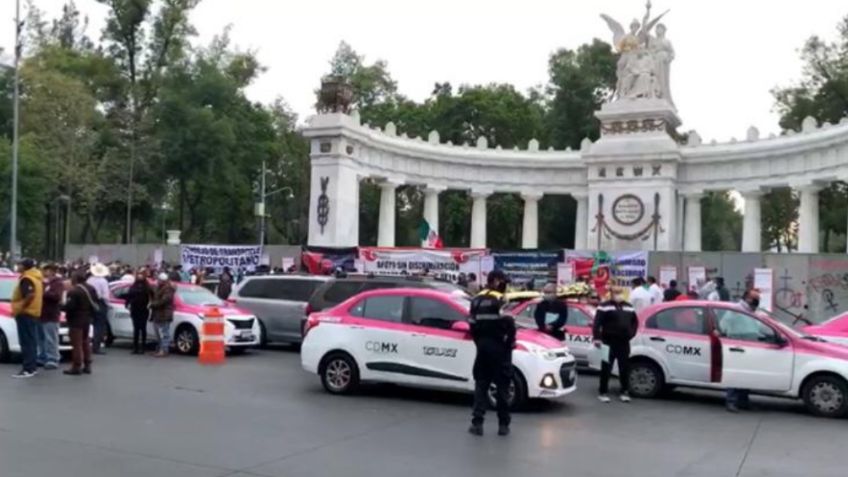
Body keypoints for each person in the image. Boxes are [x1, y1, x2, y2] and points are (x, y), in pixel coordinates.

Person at [468, 270, 516, 437]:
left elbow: (472, 326)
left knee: (481, 386)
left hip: (482, 348)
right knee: (502, 388)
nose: (506, 285)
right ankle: (503, 425)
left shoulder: (476, 300)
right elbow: (510, 324)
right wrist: (509, 344)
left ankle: (477, 424)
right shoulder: (501, 299)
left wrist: (480, 343)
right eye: (504, 282)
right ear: (496, 281)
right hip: (500, 349)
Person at [593, 287, 639, 403]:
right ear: (611, 294)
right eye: (616, 293)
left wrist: (631, 334)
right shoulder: (604, 306)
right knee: (606, 368)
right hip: (608, 341)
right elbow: (597, 323)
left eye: (620, 293)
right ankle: (603, 392)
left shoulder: (629, 306)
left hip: (623, 342)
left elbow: (634, 322)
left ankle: (624, 391)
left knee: (624, 367)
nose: (618, 295)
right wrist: (597, 338)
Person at [722, 288, 760, 413]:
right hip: (737, 346)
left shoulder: (752, 311)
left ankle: (743, 401)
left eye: (758, 298)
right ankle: (731, 401)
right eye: (755, 298)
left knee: (745, 375)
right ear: (747, 298)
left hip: (750, 346)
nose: (757, 301)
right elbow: (724, 325)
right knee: (735, 374)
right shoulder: (736, 309)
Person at [11, 259, 44, 378]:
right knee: (32, 341)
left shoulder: (26, 279)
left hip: (26, 314)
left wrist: (19, 307)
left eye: (19, 264)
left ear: (24, 267)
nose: (17, 266)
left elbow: (30, 295)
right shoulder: (36, 278)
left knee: (26, 342)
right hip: (34, 313)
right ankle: (32, 367)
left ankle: (28, 369)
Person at [63, 271, 97, 375]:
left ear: (75, 279)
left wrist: (61, 307)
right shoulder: (91, 288)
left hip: (76, 320)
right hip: (87, 318)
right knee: (85, 341)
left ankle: (76, 366)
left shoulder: (74, 291)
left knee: (76, 344)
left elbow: (70, 307)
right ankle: (87, 365)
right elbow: (96, 302)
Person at [38, 264, 64, 370]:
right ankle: (43, 356)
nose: (44, 272)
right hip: (42, 314)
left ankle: (53, 358)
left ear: (52, 271)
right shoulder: (44, 283)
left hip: (51, 314)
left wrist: (43, 293)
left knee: (51, 338)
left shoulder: (57, 283)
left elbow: (57, 296)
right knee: (41, 338)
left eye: (46, 270)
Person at [125, 270, 152, 354]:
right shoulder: (145, 287)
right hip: (137, 309)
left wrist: (127, 304)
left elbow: (128, 296)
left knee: (140, 328)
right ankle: (138, 347)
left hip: (141, 309)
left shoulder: (141, 287)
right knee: (139, 329)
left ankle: (140, 347)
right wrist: (127, 304)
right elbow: (128, 297)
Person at [87, 263, 111, 355]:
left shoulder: (89, 280)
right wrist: (108, 304)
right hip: (100, 302)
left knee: (89, 324)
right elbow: (105, 295)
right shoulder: (103, 281)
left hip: (89, 302)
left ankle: (88, 344)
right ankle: (96, 347)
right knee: (99, 325)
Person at [149, 273, 176, 357]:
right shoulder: (158, 287)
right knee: (158, 333)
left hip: (164, 314)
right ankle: (159, 349)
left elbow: (164, 300)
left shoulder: (168, 289)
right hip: (157, 313)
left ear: (163, 281)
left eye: (159, 280)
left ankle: (164, 350)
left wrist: (153, 304)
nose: (158, 281)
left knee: (164, 333)